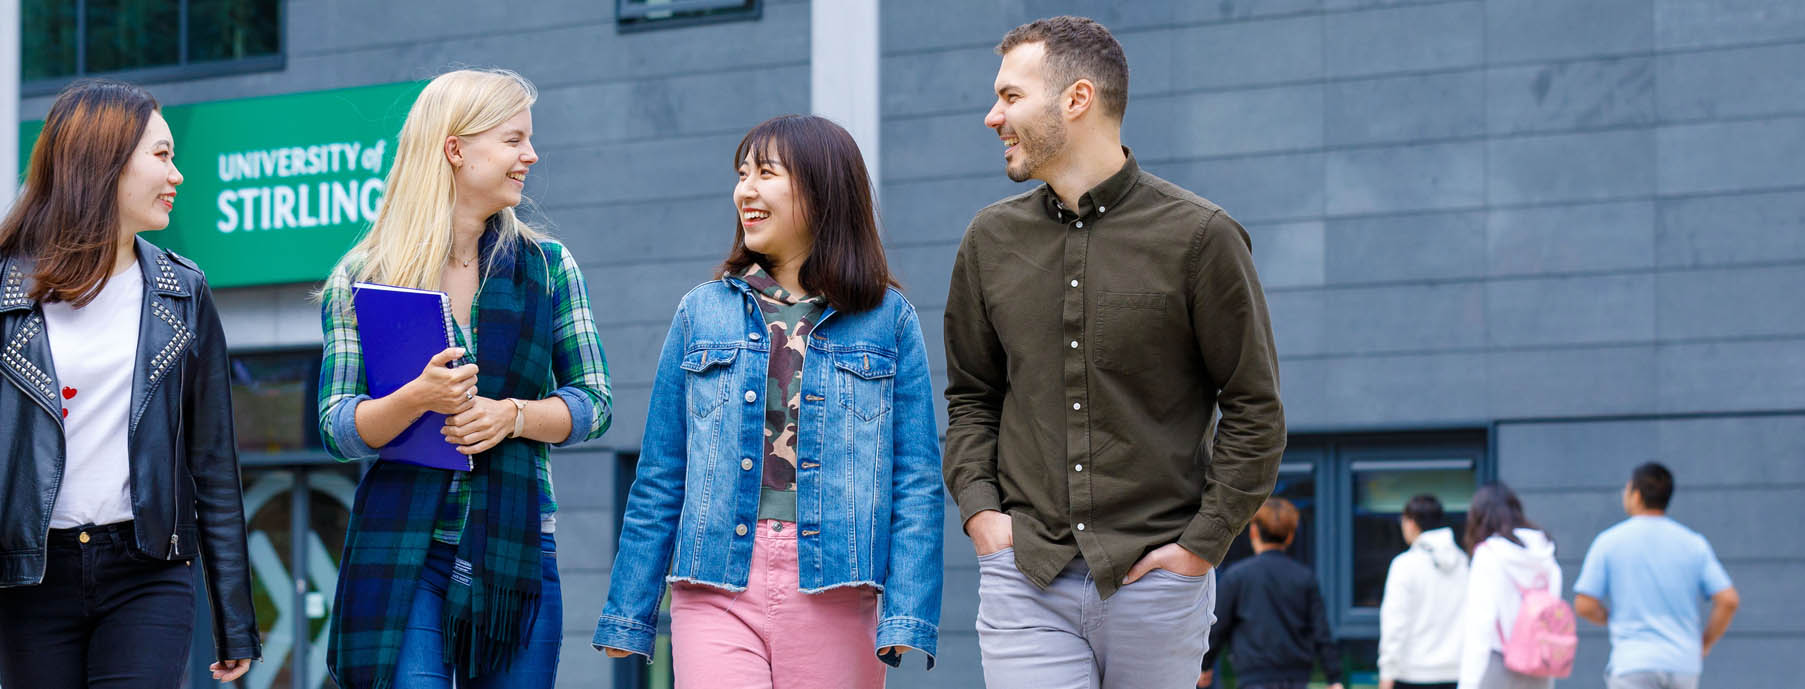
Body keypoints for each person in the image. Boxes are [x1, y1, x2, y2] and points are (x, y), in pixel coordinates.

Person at [944, 15, 1286, 689]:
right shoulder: (988, 241)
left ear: (1077, 99)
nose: (992, 116)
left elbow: (1254, 409)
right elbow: (971, 397)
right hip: (1028, 576)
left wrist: (1201, 546)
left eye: (1011, 96)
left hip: (1157, 583)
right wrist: (984, 513)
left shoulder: (1201, 238)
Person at [594, 114, 944, 688]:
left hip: (834, 583)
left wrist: (908, 609)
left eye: (765, 173)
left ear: (822, 189)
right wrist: (629, 610)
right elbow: (662, 473)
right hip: (714, 582)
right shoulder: (700, 311)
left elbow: (916, 479)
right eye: (741, 174)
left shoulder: (887, 319)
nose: (745, 190)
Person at [317, 68, 613, 689]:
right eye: (513, 140)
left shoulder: (549, 267)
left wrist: (515, 416)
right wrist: (415, 399)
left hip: (516, 552)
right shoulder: (365, 275)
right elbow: (339, 427)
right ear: (455, 149)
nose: (530, 155)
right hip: (405, 551)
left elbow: (595, 403)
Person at [0, 78, 258, 687]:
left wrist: (235, 619)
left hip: (147, 569)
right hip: (29, 577)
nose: (178, 175)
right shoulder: (7, 291)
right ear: (104, 161)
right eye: (163, 155)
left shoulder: (182, 291)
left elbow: (214, 465)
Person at [1573, 463, 1740, 689]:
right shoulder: (1693, 543)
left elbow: (1584, 604)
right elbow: (1728, 600)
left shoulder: (1609, 542)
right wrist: (1704, 643)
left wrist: (1612, 618)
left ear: (1637, 495)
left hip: (1632, 662)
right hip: (1683, 664)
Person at [1201, 498, 1343, 689]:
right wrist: (1334, 678)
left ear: (1253, 532)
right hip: (1297, 679)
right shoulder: (1304, 578)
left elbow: (1217, 629)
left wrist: (1204, 666)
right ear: (1290, 536)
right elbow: (1321, 632)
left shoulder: (1237, 577)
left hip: (1253, 678)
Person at [1459, 482, 1563, 689]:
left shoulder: (1488, 555)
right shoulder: (1546, 556)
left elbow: (1480, 626)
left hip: (1498, 665)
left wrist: (1468, 683)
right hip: (1538, 666)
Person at [1379, 494, 1469, 689]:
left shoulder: (1404, 565)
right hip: (1457, 673)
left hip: (1413, 674)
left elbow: (1395, 625)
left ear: (1411, 522)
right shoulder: (1464, 563)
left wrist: (1387, 674)